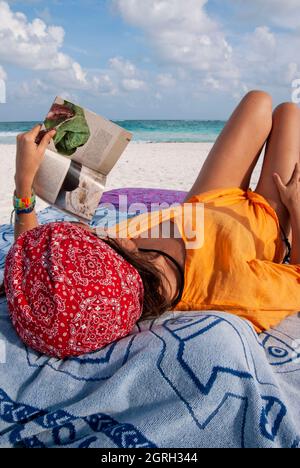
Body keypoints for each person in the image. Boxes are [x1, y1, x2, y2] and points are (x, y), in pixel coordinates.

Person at [3, 90, 300, 359]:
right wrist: (295, 210)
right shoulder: (234, 289)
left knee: (258, 101)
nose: (91, 229)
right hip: (264, 222)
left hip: (201, 206)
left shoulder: (107, 278)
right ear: (120, 247)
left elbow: (32, 264)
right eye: (93, 236)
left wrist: (24, 183)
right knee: (289, 113)